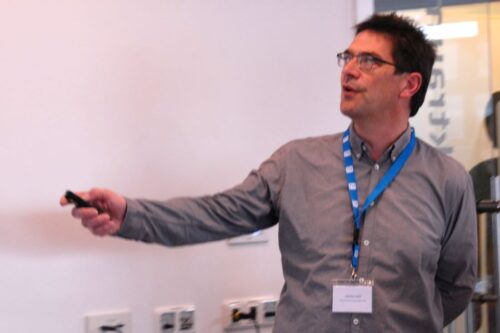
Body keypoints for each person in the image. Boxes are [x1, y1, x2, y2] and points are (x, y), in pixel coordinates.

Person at [61, 13, 477, 333]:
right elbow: (216, 214)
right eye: (347, 58)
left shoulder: (448, 179)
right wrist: (130, 214)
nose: (349, 70)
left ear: (409, 85)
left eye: (368, 60)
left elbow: (455, 287)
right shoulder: (296, 164)